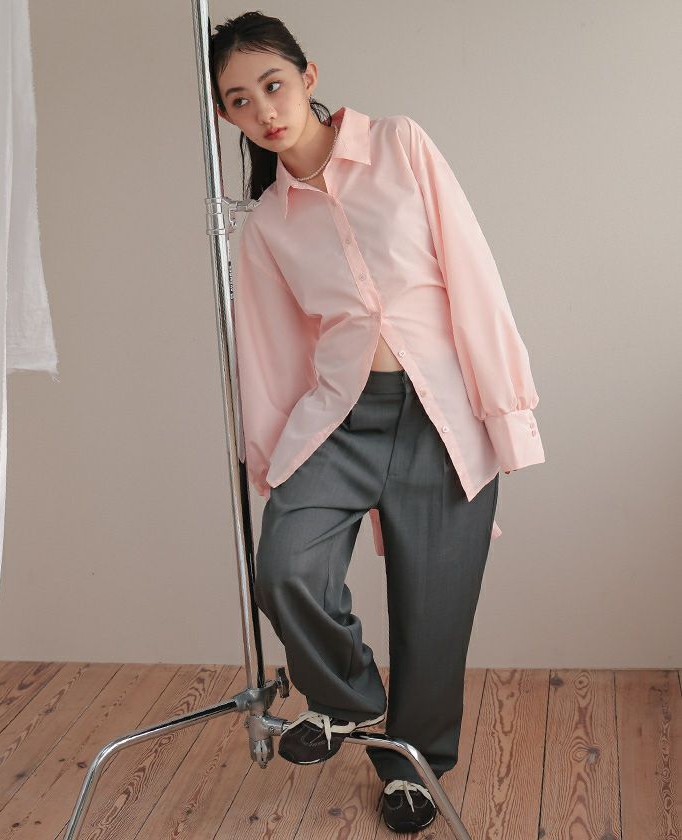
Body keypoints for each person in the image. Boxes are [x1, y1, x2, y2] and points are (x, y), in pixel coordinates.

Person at [209, 11, 545, 834]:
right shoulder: (267, 224)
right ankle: (347, 699)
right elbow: (272, 354)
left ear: (309, 77)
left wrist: (505, 412)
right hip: (340, 419)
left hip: (441, 417)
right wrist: (272, 458)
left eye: (273, 85)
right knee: (285, 567)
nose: (264, 111)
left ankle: (411, 769)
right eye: (240, 101)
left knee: (433, 614)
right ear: (227, 116)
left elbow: (472, 274)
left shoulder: (400, 145)